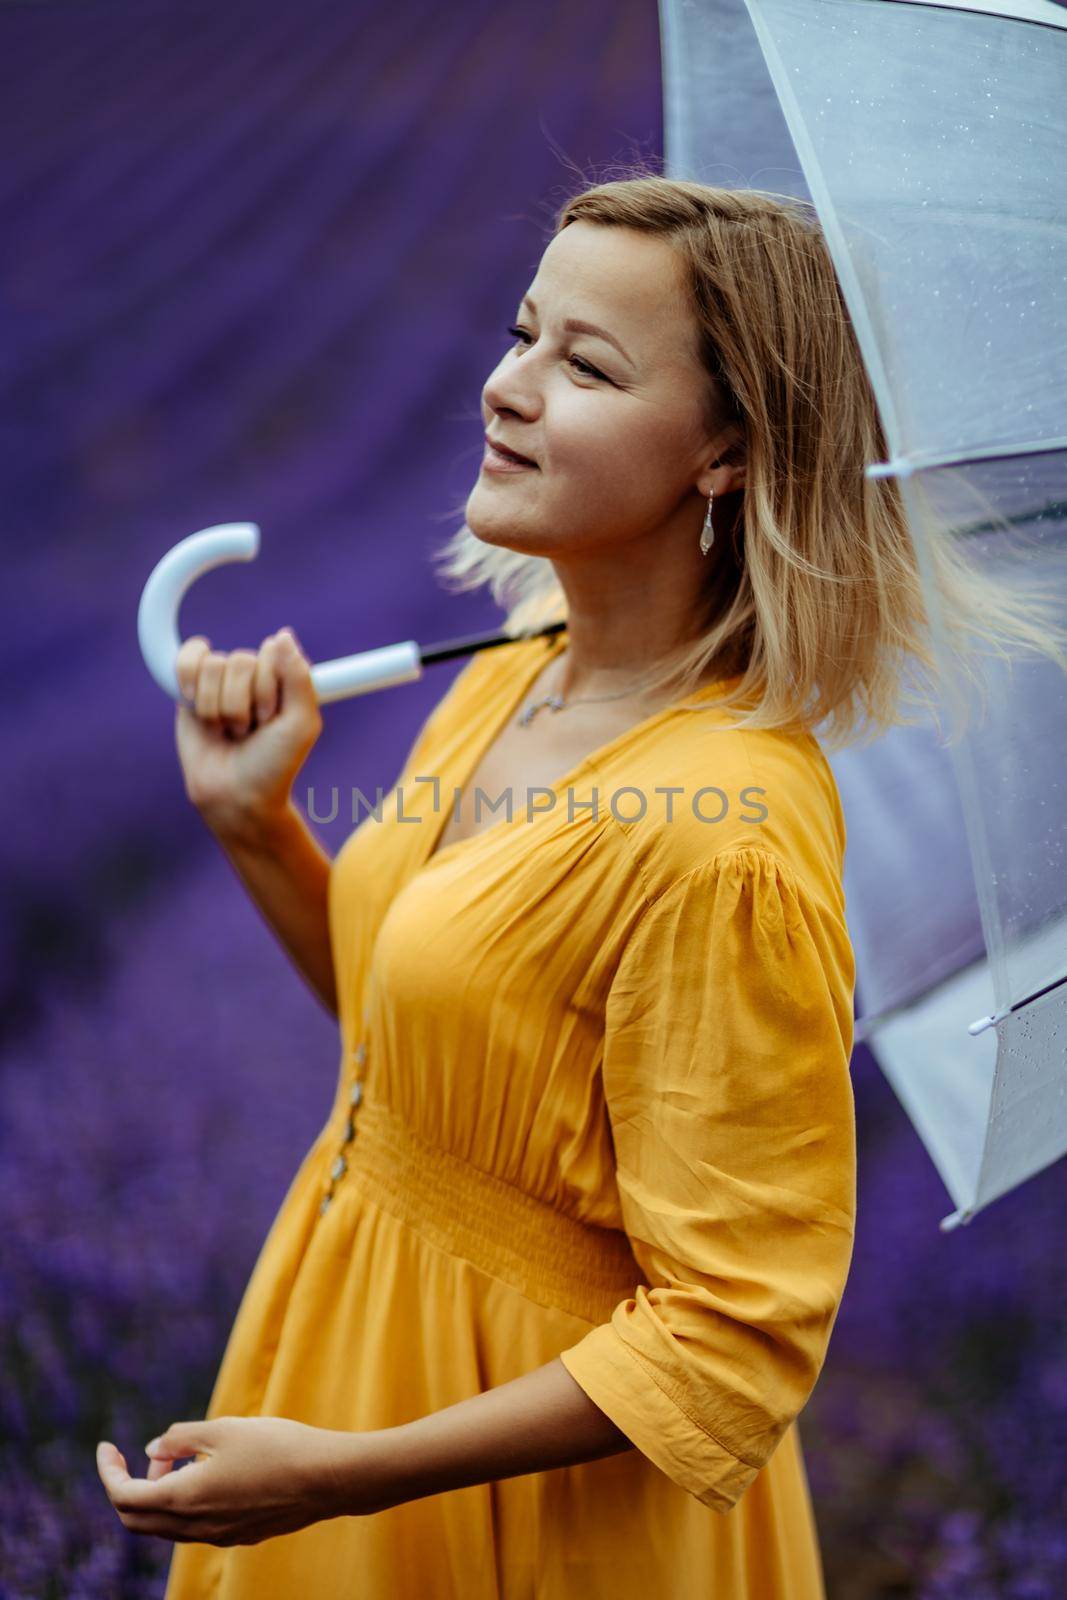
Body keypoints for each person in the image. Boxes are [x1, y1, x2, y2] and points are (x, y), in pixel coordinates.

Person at [96, 175, 1056, 1597]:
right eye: (521, 331)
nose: (505, 388)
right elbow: (427, 1052)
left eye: (587, 366)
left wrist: (338, 1475)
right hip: (349, 1350)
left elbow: (735, 1339)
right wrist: (258, 831)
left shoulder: (723, 836)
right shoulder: (518, 676)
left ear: (727, 452)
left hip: (527, 1495)